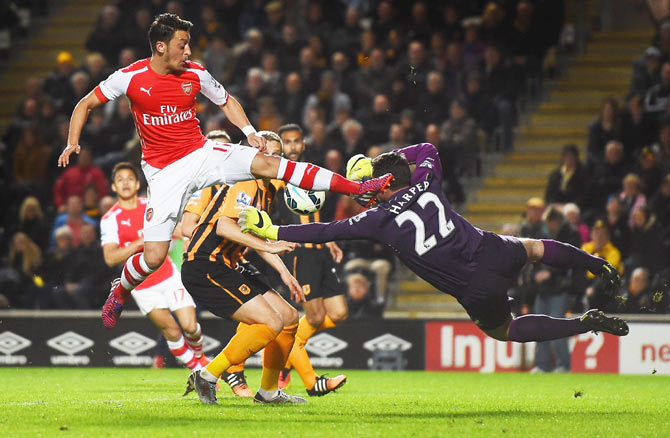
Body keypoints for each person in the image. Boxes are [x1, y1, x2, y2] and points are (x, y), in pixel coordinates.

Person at [56, 13, 393, 329]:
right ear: (160, 46)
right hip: (163, 173)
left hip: (202, 152)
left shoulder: (195, 74)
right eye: (181, 44)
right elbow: (85, 103)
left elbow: (227, 100)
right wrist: (73, 142)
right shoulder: (130, 78)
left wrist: (250, 133)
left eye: (188, 44)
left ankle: (357, 188)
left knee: (270, 164)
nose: (188, 51)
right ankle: (121, 290)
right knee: (154, 256)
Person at [239, 143, 630, 345]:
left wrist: (273, 231)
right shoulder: (427, 181)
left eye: (373, 184)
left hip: (474, 286)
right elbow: (427, 150)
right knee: (534, 248)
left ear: (384, 185)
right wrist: (382, 161)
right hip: (491, 248)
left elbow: (324, 231)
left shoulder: (378, 220)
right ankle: (598, 265)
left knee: (502, 331)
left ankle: (582, 323)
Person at [181, 131, 306, 405]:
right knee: (271, 322)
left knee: (288, 317)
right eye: (267, 154)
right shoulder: (246, 180)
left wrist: (284, 272)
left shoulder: (267, 190)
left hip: (229, 264)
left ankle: (269, 392)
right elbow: (224, 226)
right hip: (205, 264)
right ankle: (208, 375)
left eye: (277, 155)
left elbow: (255, 235)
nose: (272, 160)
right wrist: (272, 247)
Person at [101, 162, 208, 371]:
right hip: (142, 287)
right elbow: (110, 258)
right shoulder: (110, 219)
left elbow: (175, 229)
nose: (125, 183)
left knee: (190, 326)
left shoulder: (150, 205)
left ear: (137, 183)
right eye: (120, 180)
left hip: (168, 276)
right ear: (113, 187)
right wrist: (139, 243)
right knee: (172, 331)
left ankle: (200, 357)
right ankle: (199, 371)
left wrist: (189, 237)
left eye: (130, 179)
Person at [272, 124, 347, 396]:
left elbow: (318, 216)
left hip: (322, 251)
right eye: (287, 142)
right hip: (300, 254)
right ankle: (306, 375)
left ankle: (290, 351)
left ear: (303, 144)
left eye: (296, 141)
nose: (292, 146)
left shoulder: (311, 174)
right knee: (314, 316)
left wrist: (331, 240)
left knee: (338, 313)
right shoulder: (275, 178)